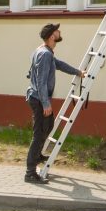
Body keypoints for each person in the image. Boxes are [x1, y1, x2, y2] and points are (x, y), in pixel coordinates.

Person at [25, 22, 85, 183]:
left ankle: (37, 156)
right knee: (39, 135)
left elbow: (59, 65)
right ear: (52, 36)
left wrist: (78, 72)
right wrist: (46, 104)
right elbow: (41, 80)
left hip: (38, 97)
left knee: (49, 126)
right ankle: (30, 172)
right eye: (57, 31)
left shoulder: (45, 52)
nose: (59, 32)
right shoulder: (45, 54)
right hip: (39, 99)